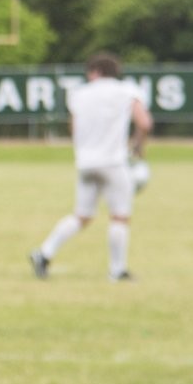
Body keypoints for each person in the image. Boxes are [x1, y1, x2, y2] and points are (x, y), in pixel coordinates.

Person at [29, 51, 152, 281]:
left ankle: (44, 254)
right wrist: (137, 146)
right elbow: (144, 122)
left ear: (95, 72)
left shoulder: (79, 94)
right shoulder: (127, 90)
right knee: (120, 216)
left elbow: (74, 129)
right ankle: (117, 270)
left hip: (85, 162)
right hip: (114, 162)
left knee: (81, 216)